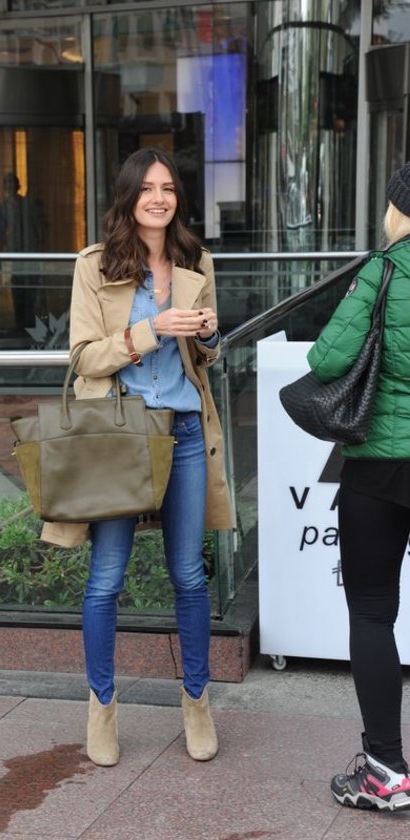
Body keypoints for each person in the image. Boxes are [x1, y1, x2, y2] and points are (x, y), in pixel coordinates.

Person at [40, 147, 234, 766]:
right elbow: (82, 357)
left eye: (168, 188)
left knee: (189, 575)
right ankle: (101, 706)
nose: (159, 198)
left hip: (183, 432)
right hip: (118, 437)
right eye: (147, 188)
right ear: (128, 196)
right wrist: (152, 330)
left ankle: (197, 702)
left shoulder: (197, 260)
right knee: (106, 579)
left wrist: (207, 335)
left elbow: (207, 354)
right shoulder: (95, 265)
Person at [307, 161, 410, 811]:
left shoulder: (384, 270)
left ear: (399, 208)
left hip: (380, 465)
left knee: (373, 611)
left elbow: (326, 360)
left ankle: (386, 775)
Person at [0, 172, 44, 331]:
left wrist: (40, 248)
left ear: (17, 185)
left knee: (31, 285)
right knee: (17, 286)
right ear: (5, 187)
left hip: (30, 250)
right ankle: (19, 322)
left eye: (12, 183)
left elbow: (37, 227)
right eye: (7, 183)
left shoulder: (28, 204)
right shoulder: (2, 208)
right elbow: (1, 233)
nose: (10, 186)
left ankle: (30, 320)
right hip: (14, 252)